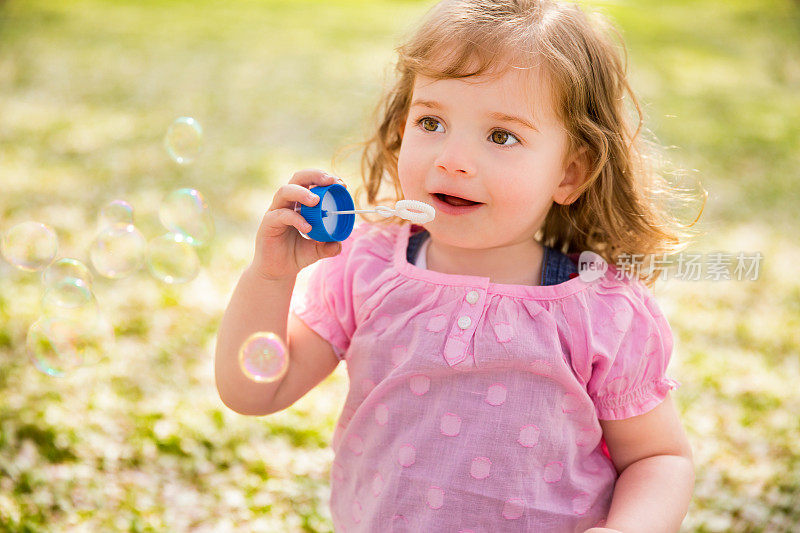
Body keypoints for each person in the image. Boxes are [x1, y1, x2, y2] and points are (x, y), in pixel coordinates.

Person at [215, 1, 698, 531]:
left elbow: (658, 459)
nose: (452, 158)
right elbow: (254, 389)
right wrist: (270, 277)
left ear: (569, 172)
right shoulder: (367, 267)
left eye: (500, 136)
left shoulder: (601, 311)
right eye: (432, 121)